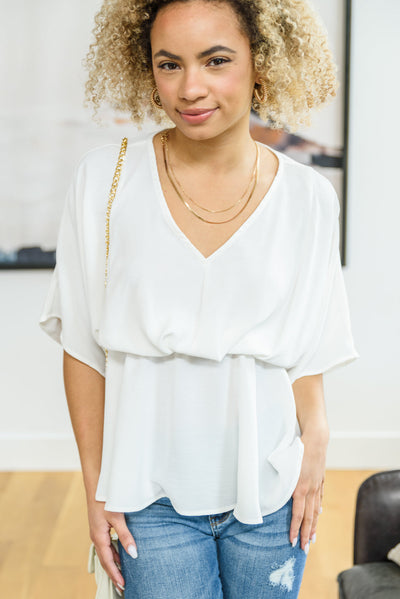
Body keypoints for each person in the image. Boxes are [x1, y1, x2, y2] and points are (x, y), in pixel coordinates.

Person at [39, 0, 360, 597]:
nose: (190, 88)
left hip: (270, 491)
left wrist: (315, 448)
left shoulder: (309, 197)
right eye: (169, 64)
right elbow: (82, 347)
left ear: (260, 62)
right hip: (146, 495)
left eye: (216, 61)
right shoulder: (103, 182)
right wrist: (96, 486)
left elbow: (308, 348)